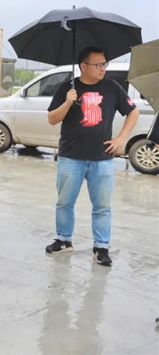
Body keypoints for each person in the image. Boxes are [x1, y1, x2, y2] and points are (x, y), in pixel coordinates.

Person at [45, 46, 138, 266]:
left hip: (101, 157)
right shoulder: (68, 88)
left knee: (102, 206)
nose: (103, 68)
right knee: (65, 202)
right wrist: (67, 102)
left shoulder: (112, 88)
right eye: (98, 65)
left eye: (105, 64)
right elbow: (52, 119)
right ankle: (63, 239)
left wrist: (121, 139)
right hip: (71, 156)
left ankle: (101, 247)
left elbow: (132, 112)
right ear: (83, 66)